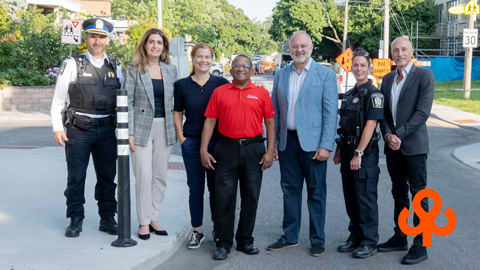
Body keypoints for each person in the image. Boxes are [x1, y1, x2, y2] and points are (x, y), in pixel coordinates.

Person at [268, 30, 338, 256]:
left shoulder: (325, 74)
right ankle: (290, 236)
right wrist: (275, 143)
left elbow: (330, 112)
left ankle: (317, 239)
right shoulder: (280, 75)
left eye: (303, 46)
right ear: (289, 49)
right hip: (288, 142)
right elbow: (275, 112)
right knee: (290, 191)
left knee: (316, 192)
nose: (299, 50)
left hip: (315, 145)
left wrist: (326, 145)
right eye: (294, 46)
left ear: (311, 47)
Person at [51, 18, 122, 238]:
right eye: (93, 36)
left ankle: (107, 218)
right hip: (78, 130)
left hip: (107, 131)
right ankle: (75, 218)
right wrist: (57, 127)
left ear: (107, 40)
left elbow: (122, 101)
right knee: (76, 176)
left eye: (102, 37)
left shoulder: (116, 66)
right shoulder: (72, 64)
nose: (97, 41)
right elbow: (58, 100)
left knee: (108, 177)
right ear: (86, 38)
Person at [200, 55, 276, 260]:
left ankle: (245, 240)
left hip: (254, 149)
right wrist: (203, 149)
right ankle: (223, 243)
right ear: (231, 70)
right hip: (226, 149)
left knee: (251, 196)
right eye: (237, 66)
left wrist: (270, 151)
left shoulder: (261, 93)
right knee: (224, 197)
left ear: (252, 70)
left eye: (245, 66)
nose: (241, 69)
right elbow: (209, 122)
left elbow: (270, 123)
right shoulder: (219, 92)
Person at [378, 36, 434, 265]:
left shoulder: (424, 77)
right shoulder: (387, 79)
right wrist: (388, 135)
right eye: (395, 50)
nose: (399, 53)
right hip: (393, 147)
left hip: (414, 147)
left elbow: (422, 113)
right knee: (398, 193)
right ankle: (400, 236)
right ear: (392, 54)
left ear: (411, 52)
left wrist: (398, 135)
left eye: (404, 49)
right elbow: (383, 114)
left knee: (419, 195)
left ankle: (422, 244)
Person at [173, 42, 229, 249]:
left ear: (211, 59)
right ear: (193, 59)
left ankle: (218, 229)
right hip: (192, 142)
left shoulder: (221, 83)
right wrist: (181, 138)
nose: (203, 60)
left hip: (217, 144)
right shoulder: (182, 85)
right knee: (195, 189)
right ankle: (196, 231)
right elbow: (177, 112)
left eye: (207, 57)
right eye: (199, 57)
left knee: (217, 189)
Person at [125, 28, 178, 240]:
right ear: (145, 45)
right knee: (144, 176)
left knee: (160, 176)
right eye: (151, 42)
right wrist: (128, 131)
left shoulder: (171, 70)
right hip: (140, 127)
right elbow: (127, 101)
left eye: (159, 42)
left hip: (165, 127)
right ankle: (143, 221)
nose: (156, 46)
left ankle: (154, 217)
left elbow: (176, 102)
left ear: (164, 46)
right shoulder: (134, 68)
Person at [333, 49, 384, 259]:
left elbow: (370, 126)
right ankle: (355, 236)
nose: (359, 69)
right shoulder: (350, 94)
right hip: (347, 153)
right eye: (356, 65)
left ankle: (369, 241)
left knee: (365, 198)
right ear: (351, 67)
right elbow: (344, 125)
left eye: (363, 65)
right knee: (351, 197)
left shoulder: (374, 95)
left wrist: (358, 153)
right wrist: (339, 150)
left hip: (363, 156)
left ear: (369, 67)